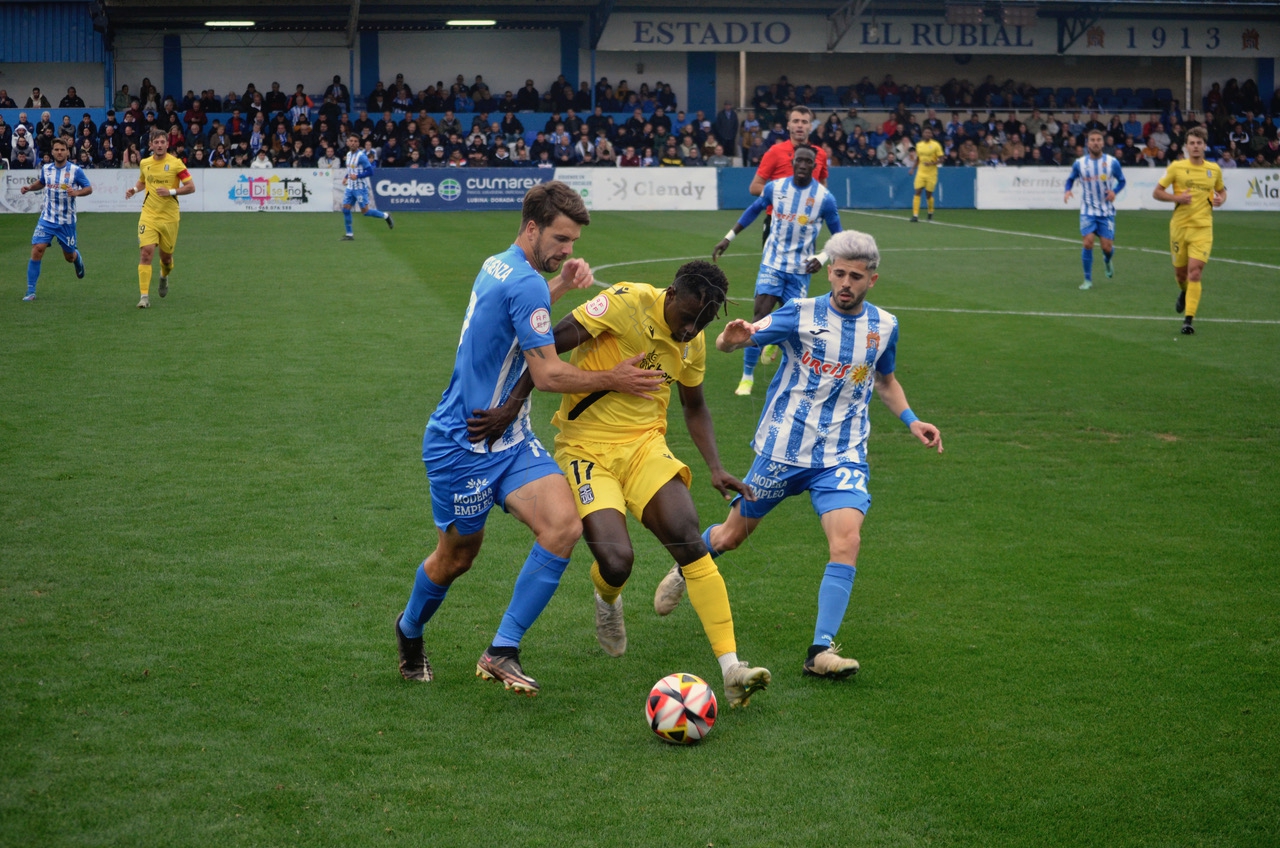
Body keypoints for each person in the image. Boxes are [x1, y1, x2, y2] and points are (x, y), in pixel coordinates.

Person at [393, 182, 665, 695]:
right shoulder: (521, 282)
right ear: (533, 227)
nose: (569, 250)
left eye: (574, 242)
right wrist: (615, 379)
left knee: (563, 526)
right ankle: (409, 631)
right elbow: (547, 375)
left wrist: (558, 284)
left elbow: (519, 318)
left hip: (511, 439)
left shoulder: (500, 264)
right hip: (462, 444)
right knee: (456, 558)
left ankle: (502, 650)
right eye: (561, 239)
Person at [466, 263, 772, 708]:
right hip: (586, 450)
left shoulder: (693, 339)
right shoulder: (625, 302)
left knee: (689, 540)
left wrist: (715, 466)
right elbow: (543, 348)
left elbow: (694, 404)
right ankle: (607, 597)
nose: (690, 330)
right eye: (686, 317)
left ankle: (732, 670)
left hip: (645, 446)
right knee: (616, 561)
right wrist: (511, 408)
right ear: (670, 294)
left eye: (702, 323)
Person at [656, 230, 943, 679]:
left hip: (842, 456)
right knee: (732, 537)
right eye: (840, 274)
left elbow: (885, 381)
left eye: (857, 276)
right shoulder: (800, 314)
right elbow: (737, 341)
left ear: (873, 279)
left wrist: (913, 420)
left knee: (847, 541)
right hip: (782, 451)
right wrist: (732, 339)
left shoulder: (884, 326)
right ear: (829, 272)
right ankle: (688, 562)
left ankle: (820, 651)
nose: (846, 283)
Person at [713, 146, 842, 397]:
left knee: (796, 325)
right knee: (759, 315)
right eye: (800, 160)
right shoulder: (775, 188)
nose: (803, 165)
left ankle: (779, 352)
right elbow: (754, 210)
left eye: (809, 162)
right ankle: (747, 378)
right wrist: (729, 237)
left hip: (800, 270)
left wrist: (822, 256)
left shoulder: (824, 198)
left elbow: (839, 235)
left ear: (814, 166)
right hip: (772, 263)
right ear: (793, 162)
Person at [1152, 126, 1226, 335]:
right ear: (1186, 146)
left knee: (1195, 272)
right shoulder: (1176, 167)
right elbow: (1157, 193)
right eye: (1192, 143)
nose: (1195, 147)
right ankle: (1184, 292)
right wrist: (1177, 198)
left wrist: (1221, 199)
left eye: (1199, 143)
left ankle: (1188, 320)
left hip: (1203, 228)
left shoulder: (1214, 169)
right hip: (1179, 227)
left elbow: (1221, 190)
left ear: (1205, 146)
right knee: (1180, 274)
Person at [124, 129, 194, 308]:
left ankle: (164, 276)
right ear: (151, 145)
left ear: (167, 144)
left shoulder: (176, 164)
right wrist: (134, 189)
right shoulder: (145, 163)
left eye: (163, 142)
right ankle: (144, 297)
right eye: (156, 142)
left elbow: (191, 187)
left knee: (167, 259)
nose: (160, 145)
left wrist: (170, 191)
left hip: (169, 218)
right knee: (146, 252)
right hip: (149, 215)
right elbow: (143, 181)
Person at [18, 138, 91, 301]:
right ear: (52, 152)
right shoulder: (46, 169)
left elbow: (88, 188)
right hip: (47, 218)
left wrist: (77, 193)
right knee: (37, 248)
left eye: (62, 149)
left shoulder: (75, 170)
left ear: (67, 151)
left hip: (66, 221)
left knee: (68, 257)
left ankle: (76, 257)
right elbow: (42, 182)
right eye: (56, 149)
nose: (59, 152)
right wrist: (30, 188)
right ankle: (30, 291)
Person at [749, 106, 829, 247]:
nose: (799, 125)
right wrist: (785, 196)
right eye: (796, 121)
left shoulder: (820, 154)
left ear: (810, 126)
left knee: (804, 268)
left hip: (806, 224)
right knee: (771, 268)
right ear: (788, 125)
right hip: (777, 223)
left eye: (804, 122)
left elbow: (822, 184)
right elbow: (755, 187)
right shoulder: (775, 152)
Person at [1064, 128, 1126, 291]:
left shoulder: (1112, 162)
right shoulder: (1080, 163)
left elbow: (1122, 181)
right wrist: (1067, 190)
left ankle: (1107, 260)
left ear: (1103, 143)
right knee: (1088, 243)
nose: (1096, 142)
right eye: (1093, 140)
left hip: (1106, 212)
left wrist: (1115, 191)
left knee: (1106, 247)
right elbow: (1070, 179)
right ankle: (1087, 279)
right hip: (1088, 210)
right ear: (1087, 143)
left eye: (1099, 140)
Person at [339, 133, 392, 240]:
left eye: (355, 141)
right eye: (351, 141)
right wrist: (346, 177)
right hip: (350, 187)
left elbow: (370, 171)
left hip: (360, 188)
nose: (353, 143)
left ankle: (386, 216)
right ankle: (349, 235)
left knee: (365, 212)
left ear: (358, 143)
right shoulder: (348, 154)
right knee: (345, 209)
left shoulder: (361, 156)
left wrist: (358, 176)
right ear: (348, 142)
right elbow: (351, 170)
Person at [910, 126, 944, 223]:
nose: (927, 134)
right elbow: (918, 159)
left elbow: (941, 158)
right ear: (923, 134)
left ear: (931, 134)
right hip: (921, 172)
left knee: (928, 195)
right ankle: (915, 215)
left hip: (931, 173)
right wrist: (913, 169)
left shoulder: (936, 145)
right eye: (926, 132)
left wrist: (932, 163)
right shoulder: (919, 145)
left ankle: (930, 211)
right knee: (917, 192)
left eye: (929, 133)